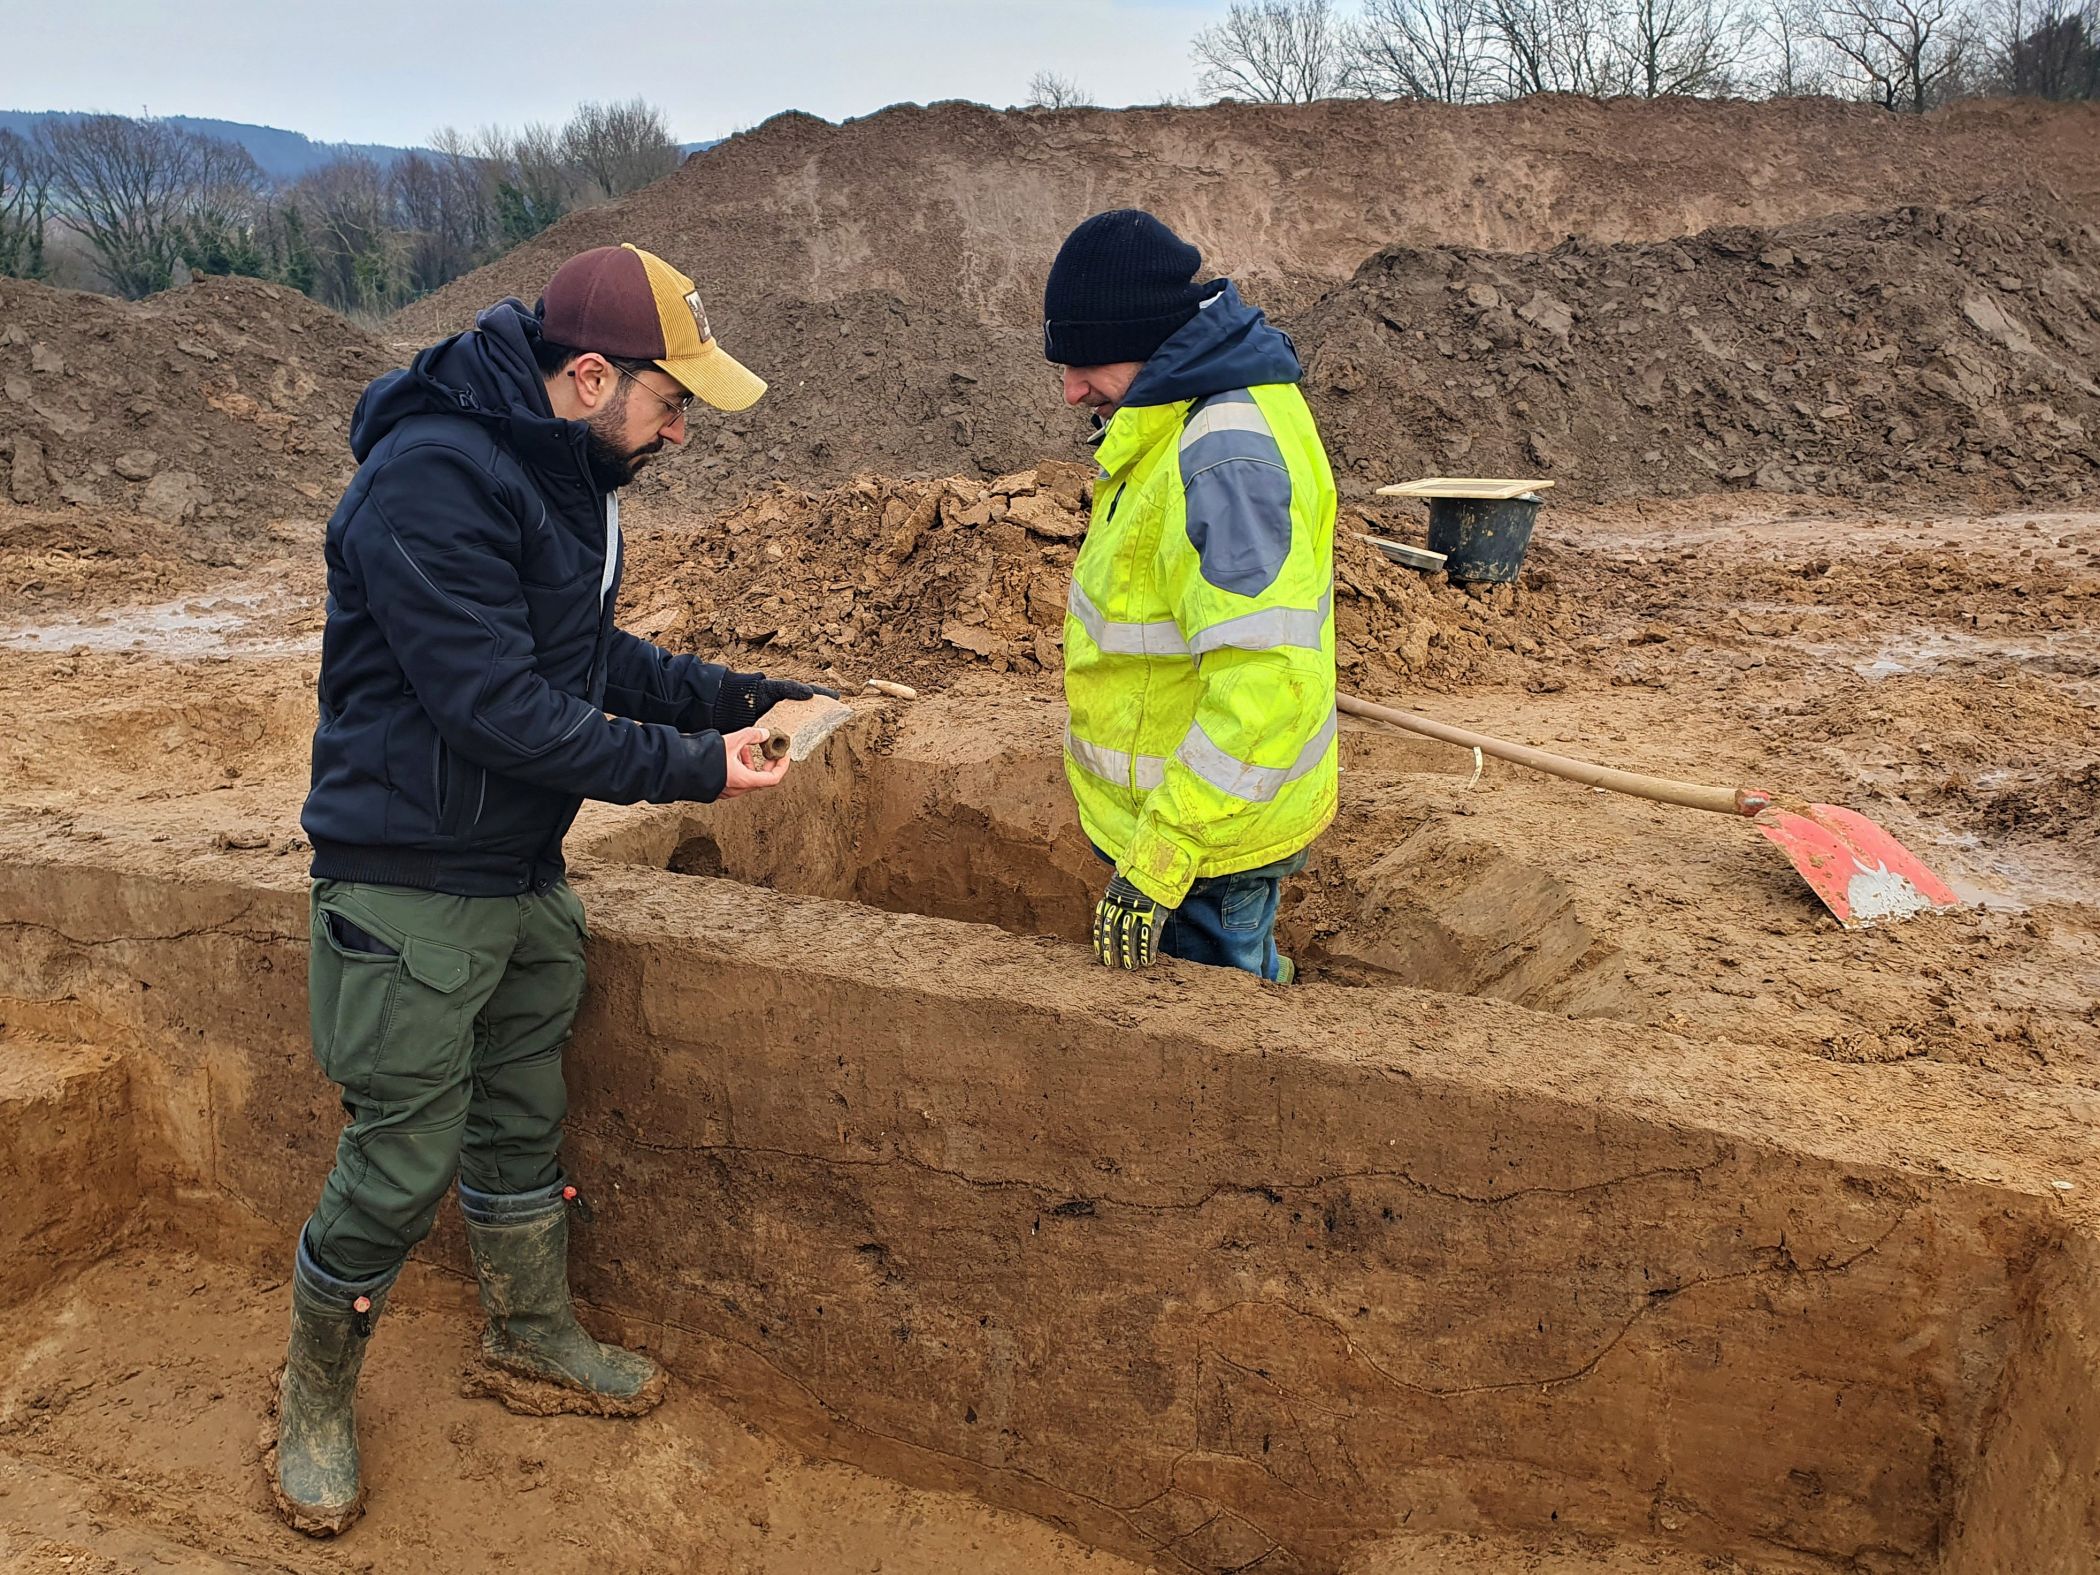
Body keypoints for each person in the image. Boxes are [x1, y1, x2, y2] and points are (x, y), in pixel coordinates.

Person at [274, 243, 826, 1535]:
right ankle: (313, 1392)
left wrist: (747, 694)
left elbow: (585, 654)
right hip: (408, 885)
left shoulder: (558, 472)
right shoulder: (428, 484)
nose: (680, 431)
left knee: (520, 1126)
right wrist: (700, 766)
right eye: (671, 402)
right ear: (589, 376)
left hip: (514, 872)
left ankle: (532, 1333)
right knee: (399, 1161)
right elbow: (501, 707)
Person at [1044, 210, 1338, 982]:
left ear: (1148, 342)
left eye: (1087, 364)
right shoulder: (1177, 418)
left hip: (1206, 849)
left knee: (1217, 1051)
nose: (1072, 391)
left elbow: (1266, 686)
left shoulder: (1223, 459)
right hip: (1195, 830)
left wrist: (1161, 858)